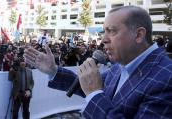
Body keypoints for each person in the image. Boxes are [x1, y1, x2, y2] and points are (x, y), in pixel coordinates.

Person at [24, 6, 172, 119]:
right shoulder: (121, 65)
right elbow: (89, 86)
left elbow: (94, 92)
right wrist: (54, 70)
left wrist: (95, 94)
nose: (103, 40)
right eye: (104, 32)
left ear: (138, 35)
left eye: (112, 31)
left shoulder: (167, 78)